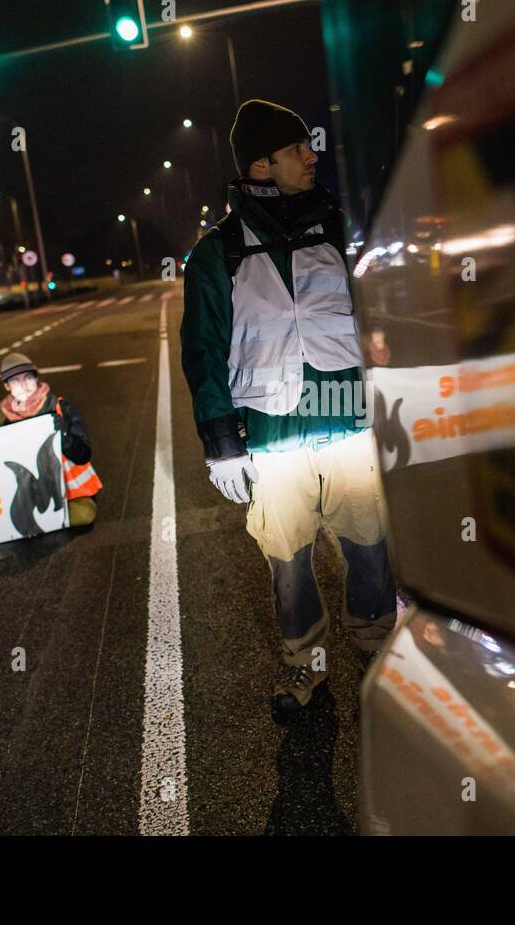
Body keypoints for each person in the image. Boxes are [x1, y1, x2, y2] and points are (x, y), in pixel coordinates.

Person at [180, 99, 397, 723]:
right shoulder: (216, 253)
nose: (313, 156)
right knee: (290, 567)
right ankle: (308, 668)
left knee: (371, 549)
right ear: (260, 165)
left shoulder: (340, 229)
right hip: (272, 435)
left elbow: (381, 319)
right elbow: (204, 350)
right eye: (298, 149)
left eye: (310, 146)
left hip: (349, 423)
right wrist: (222, 442)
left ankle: (379, 650)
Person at [0, 352, 101, 527]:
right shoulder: (7, 425)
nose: (23, 385)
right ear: (7, 386)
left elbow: (83, 455)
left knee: (83, 516)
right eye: (15, 380)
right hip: (36, 497)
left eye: (28, 377)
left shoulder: (61, 408)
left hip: (71, 492)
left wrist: (64, 437)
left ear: (36, 379)